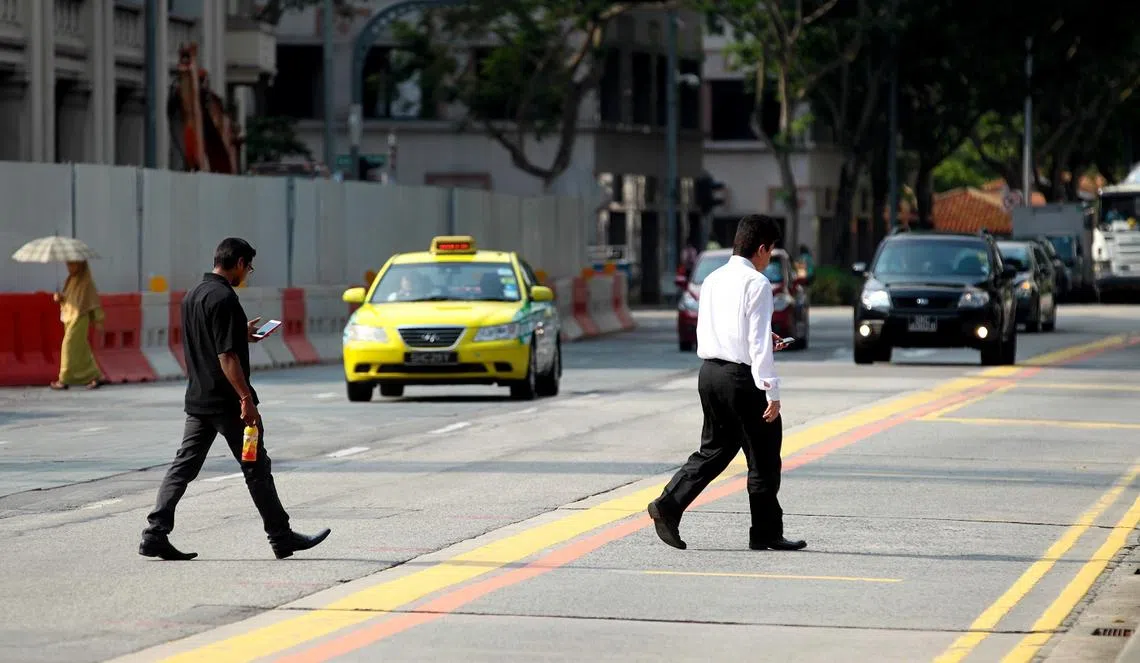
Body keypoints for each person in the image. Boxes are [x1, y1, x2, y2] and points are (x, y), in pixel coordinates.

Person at [139, 238, 330, 561]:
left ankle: (155, 532)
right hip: (229, 404)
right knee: (256, 467)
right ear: (239, 263)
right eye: (250, 267)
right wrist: (246, 399)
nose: (249, 273)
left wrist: (241, 333)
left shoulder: (194, 294)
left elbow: (209, 338)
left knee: (182, 467)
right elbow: (226, 356)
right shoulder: (225, 297)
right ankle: (281, 537)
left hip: (199, 400)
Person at [647, 214, 806, 552]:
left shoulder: (714, 279)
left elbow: (720, 329)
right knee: (764, 455)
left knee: (716, 449)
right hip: (741, 378)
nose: (767, 260)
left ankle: (668, 504)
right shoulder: (757, 284)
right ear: (762, 249)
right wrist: (772, 391)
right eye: (770, 252)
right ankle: (765, 533)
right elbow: (757, 346)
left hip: (710, 374)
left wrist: (763, 336)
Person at [51, 260, 106, 390]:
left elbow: (93, 302)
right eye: (68, 264)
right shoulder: (70, 280)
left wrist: (98, 319)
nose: (69, 267)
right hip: (69, 317)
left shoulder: (87, 282)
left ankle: (64, 379)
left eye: (73, 264)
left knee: (68, 346)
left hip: (80, 317)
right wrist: (59, 298)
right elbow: (69, 299)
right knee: (81, 349)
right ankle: (96, 376)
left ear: (81, 265)